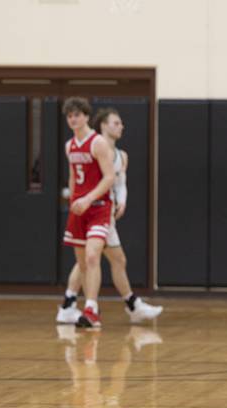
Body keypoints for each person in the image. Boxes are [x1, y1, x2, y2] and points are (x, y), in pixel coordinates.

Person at [56, 108, 163, 324]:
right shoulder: (93, 145)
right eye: (116, 122)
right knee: (92, 257)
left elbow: (120, 182)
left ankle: (126, 304)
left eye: (121, 123)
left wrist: (122, 200)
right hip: (95, 209)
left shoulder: (121, 155)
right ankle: (86, 305)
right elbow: (86, 178)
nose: (121, 126)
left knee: (113, 259)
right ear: (103, 125)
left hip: (106, 209)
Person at [61, 97, 116, 328]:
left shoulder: (98, 142)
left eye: (77, 114)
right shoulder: (69, 146)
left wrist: (88, 198)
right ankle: (89, 307)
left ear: (85, 116)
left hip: (99, 207)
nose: (73, 119)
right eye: (69, 116)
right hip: (79, 209)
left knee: (94, 255)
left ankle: (91, 307)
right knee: (83, 263)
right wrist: (74, 200)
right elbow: (74, 176)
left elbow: (109, 177)